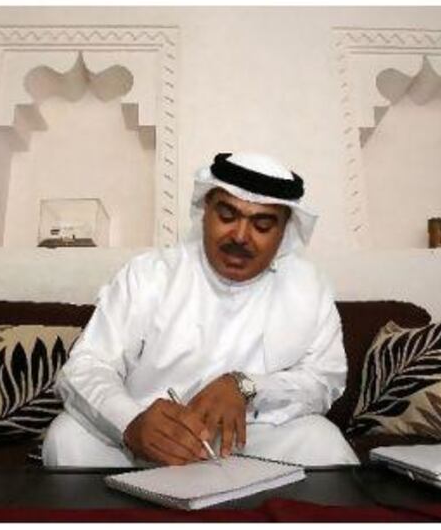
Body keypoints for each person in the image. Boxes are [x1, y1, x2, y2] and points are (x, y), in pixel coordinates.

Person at [42, 152, 359, 467]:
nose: (240, 236)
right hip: (150, 441)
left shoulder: (310, 288)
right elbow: (88, 364)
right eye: (227, 215)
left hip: (253, 440)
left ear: (284, 230)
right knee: (67, 437)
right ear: (206, 210)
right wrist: (131, 422)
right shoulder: (149, 275)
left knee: (323, 443)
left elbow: (323, 380)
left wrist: (248, 387)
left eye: (262, 225)